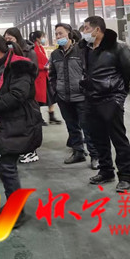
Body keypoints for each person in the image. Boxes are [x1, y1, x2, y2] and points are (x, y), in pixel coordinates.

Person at [0, 34, 43, 227]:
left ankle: (17, 212)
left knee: (7, 168)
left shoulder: (18, 67)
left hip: (18, 122)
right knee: (5, 168)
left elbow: (18, 94)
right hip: (5, 122)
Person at [80, 16, 130, 193]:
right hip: (91, 99)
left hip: (111, 100)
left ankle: (125, 177)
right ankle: (106, 171)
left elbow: (129, 74)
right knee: (98, 138)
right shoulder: (87, 49)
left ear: (97, 29)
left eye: (86, 28)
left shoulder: (118, 48)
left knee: (118, 139)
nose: (84, 32)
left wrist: (119, 98)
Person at [49, 24, 98, 168]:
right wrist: (56, 89)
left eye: (61, 33)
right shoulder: (55, 55)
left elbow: (91, 71)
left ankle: (95, 156)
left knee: (88, 128)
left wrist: (86, 88)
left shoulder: (82, 51)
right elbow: (52, 74)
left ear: (69, 34)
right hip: (63, 97)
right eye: (56, 34)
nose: (58, 36)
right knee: (72, 127)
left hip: (81, 97)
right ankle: (78, 152)